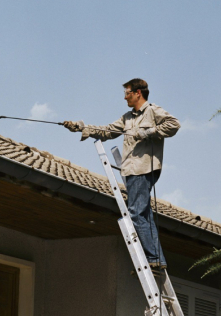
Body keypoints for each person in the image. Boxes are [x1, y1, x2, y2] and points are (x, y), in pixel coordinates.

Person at [63, 78, 180, 269]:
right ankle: (156, 258)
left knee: (135, 213)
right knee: (142, 213)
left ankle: (153, 258)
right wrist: (81, 127)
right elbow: (107, 131)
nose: (125, 97)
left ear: (138, 93)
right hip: (131, 169)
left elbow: (174, 124)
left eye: (127, 93)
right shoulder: (127, 117)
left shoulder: (152, 111)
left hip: (143, 168)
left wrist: (148, 132)